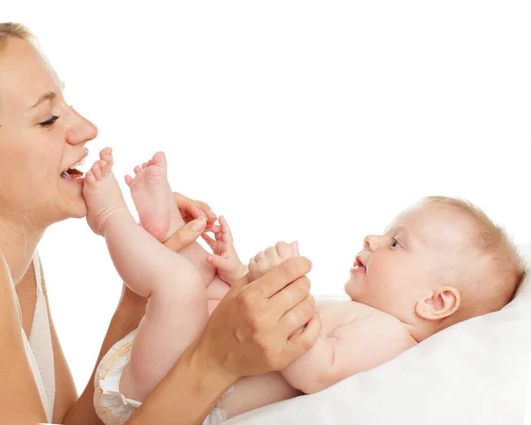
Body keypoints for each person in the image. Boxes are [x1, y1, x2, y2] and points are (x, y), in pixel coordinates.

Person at [0, 20, 322, 425]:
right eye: (48, 119)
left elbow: (73, 423)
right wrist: (215, 360)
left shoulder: (15, 268)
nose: (87, 128)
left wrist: (144, 293)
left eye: (69, 105)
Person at [85, 146, 527, 424]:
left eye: (396, 242)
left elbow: (315, 369)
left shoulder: (391, 339)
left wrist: (271, 282)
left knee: (181, 286)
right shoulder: (363, 315)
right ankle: (160, 230)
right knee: (204, 277)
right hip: (179, 365)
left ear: (435, 302)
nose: (372, 239)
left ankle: (109, 218)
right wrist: (241, 273)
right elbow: (256, 325)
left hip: (166, 394)